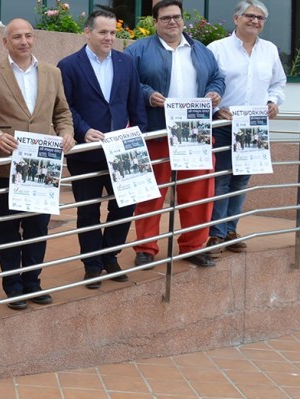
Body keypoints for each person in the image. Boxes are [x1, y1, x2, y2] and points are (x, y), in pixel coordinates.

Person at [0, 18, 75, 310]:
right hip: (7, 165)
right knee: (8, 227)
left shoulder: (52, 73)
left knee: (38, 226)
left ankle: (33, 281)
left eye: (29, 36)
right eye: (17, 36)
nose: (24, 41)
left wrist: (67, 133)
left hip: (43, 165)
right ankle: (12, 286)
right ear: (5, 41)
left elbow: (62, 112)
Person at [125, 0, 225, 269]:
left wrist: (216, 92)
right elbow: (128, 81)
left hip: (195, 132)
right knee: (150, 194)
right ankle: (146, 247)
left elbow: (218, 77)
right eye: (166, 18)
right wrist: (147, 95)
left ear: (183, 20)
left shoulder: (201, 50)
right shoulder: (138, 49)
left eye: (177, 17)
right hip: (156, 132)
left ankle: (194, 246)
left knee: (198, 194)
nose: (173, 22)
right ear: (155, 22)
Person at [57, 8, 147, 289]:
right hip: (87, 152)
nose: (109, 38)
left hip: (123, 150)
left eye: (113, 33)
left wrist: (139, 134)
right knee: (88, 211)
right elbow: (64, 107)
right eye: (103, 32)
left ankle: (110, 255)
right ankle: (92, 265)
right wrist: (83, 130)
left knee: (126, 205)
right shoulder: (69, 65)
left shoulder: (126, 62)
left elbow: (135, 104)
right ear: (87, 32)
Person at [206, 0, 285, 256]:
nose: (255, 21)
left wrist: (273, 101)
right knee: (221, 181)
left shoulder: (270, 50)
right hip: (223, 124)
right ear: (236, 18)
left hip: (253, 127)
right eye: (250, 16)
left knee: (241, 182)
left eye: (260, 18)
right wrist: (215, 110)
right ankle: (215, 234)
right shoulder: (217, 49)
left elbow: (278, 83)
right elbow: (205, 84)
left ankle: (230, 230)